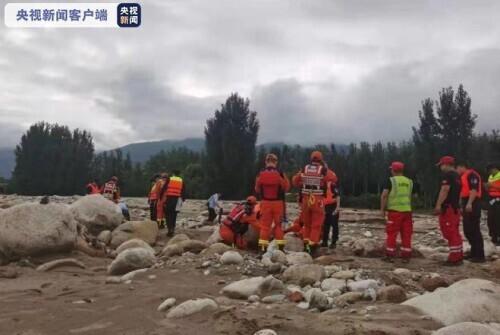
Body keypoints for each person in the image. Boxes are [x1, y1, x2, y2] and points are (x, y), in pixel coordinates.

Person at [293, 151, 337, 256]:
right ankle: (312, 248)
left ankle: (306, 246)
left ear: (311, 159)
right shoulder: (323, 170)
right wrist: (326, 168)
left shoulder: (304, 169)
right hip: (317, 200)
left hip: (305, 200)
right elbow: (334, 178)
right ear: (321, 159)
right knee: (316, 225)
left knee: (307, 224)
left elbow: (294, 181)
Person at [255, 153, 290, 252]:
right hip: (278, 203)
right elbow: (286, 187)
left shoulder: (261, 173)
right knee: (278, 226)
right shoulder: (280, 173)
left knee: (265, 226)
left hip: (265, 203)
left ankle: (263, 249)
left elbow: (257, 189)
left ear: (266, 161)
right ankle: (280, 249)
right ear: (276, 162)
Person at [380, 161, 413, 263]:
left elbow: (384, 195)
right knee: (406, 234)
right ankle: (406, 257)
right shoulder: (409, 181)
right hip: (407, 211)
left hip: (395, 212)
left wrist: (382, 210)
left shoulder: (391, 181)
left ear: (393, 170)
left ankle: (390, 256)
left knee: (392, 234)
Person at [434, 156, 463, 265]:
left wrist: (438, 205)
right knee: (455, 232)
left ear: (446, 164)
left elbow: (445, 190)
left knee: (449, 231)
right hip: (455, 207)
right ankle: (458, 254)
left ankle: (454, 258)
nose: (440, 167)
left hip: (448, 207)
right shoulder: (457, 176)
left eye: (441, 165)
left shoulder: (448, 175)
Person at [456, 162, 485, 262]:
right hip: (466, 201)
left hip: (473, 202)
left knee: (474, 229)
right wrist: (461, 204)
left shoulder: (472, 175)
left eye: (457, 169)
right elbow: (463, 191)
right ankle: (474, 252)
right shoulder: (463, 176)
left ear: (462, 167)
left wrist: (469, 203)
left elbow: (474, 190)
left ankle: (480, 255)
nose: (457, 171)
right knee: (467, 230)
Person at [165, 170, 185, 237]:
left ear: (173, 173)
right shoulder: (181, 180)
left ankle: (169, 229)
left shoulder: (169, 179)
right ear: (179, 174)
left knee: (168, 214)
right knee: (174, 215)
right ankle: (172, 229)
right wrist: (182, 200)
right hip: (178, 199)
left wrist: (160, 197)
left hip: (169, 198)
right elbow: (184, 191)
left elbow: (164, 188)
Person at [321, 181, 341, 249]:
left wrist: (337, 208)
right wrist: (322, 210)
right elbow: (322, 199)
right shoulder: (322, 185)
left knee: (334, 225)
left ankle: (333, 242)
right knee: (326, 225)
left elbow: (338, 196)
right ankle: (324, 242)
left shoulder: (332, 185)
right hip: (326, 207)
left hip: (333, 207)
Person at [486, 163, 500, 245]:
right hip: (491, 199)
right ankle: (493, 236)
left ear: (494, 168)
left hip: (499, 200)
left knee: (498, 218)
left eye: (490, 170)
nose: (490, 173)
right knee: (491, 218)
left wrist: (492, 185)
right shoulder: (491, 177)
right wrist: (487, 187)